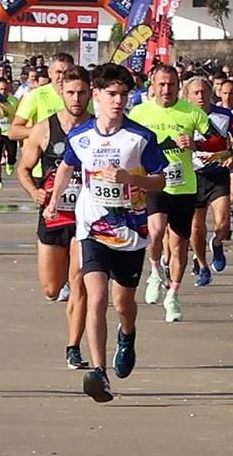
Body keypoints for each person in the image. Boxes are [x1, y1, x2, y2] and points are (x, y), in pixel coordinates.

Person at [50, 64, 171, 403]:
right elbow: (67, 166)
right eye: (112, 94)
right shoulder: (80, 136)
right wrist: (54, 200)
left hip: (129, 230)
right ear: (97, 94)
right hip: (91, 227)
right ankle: (99, 373)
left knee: (123, 302)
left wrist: (132, 179)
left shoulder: (140, 137)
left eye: (124, 95)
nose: (118, 101)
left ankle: (128, 334)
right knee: (97, 297)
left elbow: (161, 179)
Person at [20, 66, 95, 369]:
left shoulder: (97, 128)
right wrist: (35, 193)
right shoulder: (45, 128)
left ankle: (73, 346)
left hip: (87, 218)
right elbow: (24, 168)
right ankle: (61, 286)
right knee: (52, 288)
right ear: (61, 92)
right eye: (71, 93)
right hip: (53, 215)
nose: (76, 98)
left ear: (91, 93)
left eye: (82, 93)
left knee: (79, 283)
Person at [129, 62, 217, 323]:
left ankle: (173, 295)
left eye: (171, 85)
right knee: (155, 232)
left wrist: (197, 142)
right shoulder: (138, 112)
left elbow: (219, 141)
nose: (166, 89)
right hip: (154, 183)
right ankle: (155, 270)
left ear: (179, 87)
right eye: (161, 85)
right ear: (153, 87)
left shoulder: (191, 112)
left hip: (185, 186)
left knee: (178, 247)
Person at [183, 74, 233, 286]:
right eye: (195, 93)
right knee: (196, 227)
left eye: (204, 92)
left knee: (223, 221)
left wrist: (232, 155)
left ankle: (217, 241)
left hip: (217, 175)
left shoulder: (224, 115)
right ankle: (203, 266)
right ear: (187, 96)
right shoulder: (182, 115)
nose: (200, 96)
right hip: (193, 175)